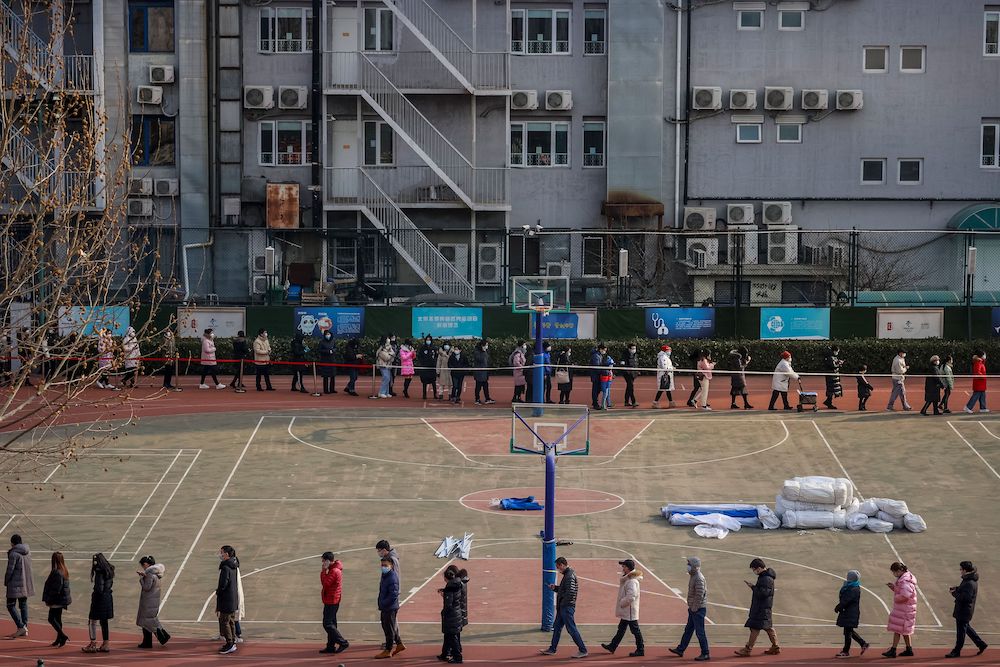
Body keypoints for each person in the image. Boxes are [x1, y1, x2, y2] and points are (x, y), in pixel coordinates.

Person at [540, 556, 587, 658]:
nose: (558, 569)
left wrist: (562, 605)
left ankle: (583, 650)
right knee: (557, 627)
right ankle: (552, 649)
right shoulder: (568, 575)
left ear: (562, 565)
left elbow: (570, 593)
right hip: (564, 607)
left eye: (558, 567)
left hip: (566, 607)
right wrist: (556, 588)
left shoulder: (569, 576)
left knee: (571, 629)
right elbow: (565, 590)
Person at [668, 556, 710, 661]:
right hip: (694, 608)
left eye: (689, 564)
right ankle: (680, 649)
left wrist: (694, 608)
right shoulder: (694, 575)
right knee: (688, 630)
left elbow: (700, 594)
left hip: (698, 609)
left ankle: (705, 653)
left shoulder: (699, 578)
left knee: (700, 632)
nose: (687, 566)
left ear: (694, 566)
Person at [735, 558, 779, 656]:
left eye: (754, 569)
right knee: (768, 627)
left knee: (755, 628)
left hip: (761, 608)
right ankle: (775, 647)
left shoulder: (766, 579)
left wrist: (753, 587)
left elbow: (763, 593)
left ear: (759, 568)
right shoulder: (765, 577)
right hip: (763, 607)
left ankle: (748, 649)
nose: (754, 571)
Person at [600, 559, 644, 657]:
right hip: (627, 611)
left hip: (629, 611)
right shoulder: (628, 579)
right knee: (621, 629)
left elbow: (631, 596)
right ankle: (612, 646)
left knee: (635, 631)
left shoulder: (632, 581)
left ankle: (640, 649)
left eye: (624, 566)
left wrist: (622, 603)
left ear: (628, 568)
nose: (622, 568)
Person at [946, 561, 988, 658]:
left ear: (965, 570)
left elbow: (967, 598)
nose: (960, 571)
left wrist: (954, 594)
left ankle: (956, 651)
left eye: (961, 569)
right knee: (967, 629)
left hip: (963, 611)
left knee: (961, 632)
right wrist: (957, 589)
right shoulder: (969, 580)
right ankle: (981, 644)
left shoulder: (969, 582)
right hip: (964, 610)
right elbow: (964, 591)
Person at [82, 553, 114, 654]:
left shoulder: (99, 572)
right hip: (108, 598)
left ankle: (93, 643)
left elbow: (99, 588)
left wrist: (95, 594)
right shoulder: (109, 570)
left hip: (99, 599)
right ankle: (106, 644)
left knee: (92, 620)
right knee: (104, 621)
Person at [883, 561, 917, 658]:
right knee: (904, 630)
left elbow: (905, 595)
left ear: (899, 571)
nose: (894, 574)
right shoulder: (906, 579)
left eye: (894, 572)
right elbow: (904, 592)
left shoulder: (905, 581)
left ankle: (893, 650)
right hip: (906, 609)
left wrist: (896, 597)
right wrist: (894, 588)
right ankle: (909, 649)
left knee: (897, 630)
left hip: (904, 609)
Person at [136, 555, 169, 648]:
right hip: (153, 602)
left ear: (146, 564)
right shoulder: (156, 574)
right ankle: (159, 638)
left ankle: (149, 642)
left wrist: (142, 579)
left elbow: (146, 587)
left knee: (146, 623)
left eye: (143, 565)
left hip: (148, 602)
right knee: (151, 622)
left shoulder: (150, 574)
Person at [834, 570, 869, 658]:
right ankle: (863, 643)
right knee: (849, 631)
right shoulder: (851, 586)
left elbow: (846, 600)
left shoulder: (853, 589)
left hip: (850, 613)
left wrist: (838, 607)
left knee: (848, 633)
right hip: (849, 612)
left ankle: (846, 651)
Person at [4, 533, 33, 639]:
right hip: (25, 583)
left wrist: (6, 581)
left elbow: (10, 570)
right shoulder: (28, 552)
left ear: (12, 543)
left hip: (15, 584)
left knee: (10, 605)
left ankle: (21, 627)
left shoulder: (13, 554)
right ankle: (24, 627)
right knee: (23, 605)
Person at [319, 551, 348, 654]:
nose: (322, 563)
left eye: (323, 561)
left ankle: (342, 642)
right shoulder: (333, 570)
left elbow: (325, 584)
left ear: (328, 561)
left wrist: (323, 571)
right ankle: (330, 646)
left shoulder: (334, 571)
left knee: (327, 623)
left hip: (332, 600)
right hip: (331, 599)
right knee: (332, 623)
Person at [375, 540, 402, 651]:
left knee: (391, 621)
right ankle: (394, 641)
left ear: (384, 550)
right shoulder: (389, 559)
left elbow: (394, 578)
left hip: (391, 594)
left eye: (379, 551)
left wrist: (391, 595)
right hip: (389, 593)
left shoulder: (392, 561)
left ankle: (393, 642)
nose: (378, 553)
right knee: (389, 620)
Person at [42, 551, 71, 647]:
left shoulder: (57, 572)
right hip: (62, 599)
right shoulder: (64, 570)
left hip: (57, 599)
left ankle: (62, 636)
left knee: (51, 619)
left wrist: (49, 599)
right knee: (58, 619)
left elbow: (56, 588)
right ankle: (59, 639)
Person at [216, 545, 239, 654]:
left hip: (226, 599)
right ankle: (232, 641)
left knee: (225, 621)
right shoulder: (234, 566)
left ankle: (230, 643)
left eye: (222, 552)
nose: (220, 554)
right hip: (233, 599)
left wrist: (218, 591)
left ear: (227, 554)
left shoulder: (225, 567)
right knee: (231, 621)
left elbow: (223, 584)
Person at [439, 567, 464, 663]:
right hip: (456, 613)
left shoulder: (450, 587)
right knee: (449, 635)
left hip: (452, 615)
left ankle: (457, 657)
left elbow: (449, 604)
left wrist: (444, 612)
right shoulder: (456, 585)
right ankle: (444, 654)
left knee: (452, 636)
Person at [473, 340, 494, 405]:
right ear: (482, 345)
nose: (487, 347)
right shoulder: (477, 352)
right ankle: (477, 399)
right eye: (486, 345)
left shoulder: (486, 352)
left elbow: (487, 360)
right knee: (478, 386)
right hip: (479, 372)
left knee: (486, 386)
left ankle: (487, 398)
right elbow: (480, 359)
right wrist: (483, 352)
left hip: (485, 372)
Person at [318, 330, 339, 395]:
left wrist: (333, 350)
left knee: (333, 375)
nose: (328, 335)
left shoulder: (333, 341)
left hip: (332, 360)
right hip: (325, 360)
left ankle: (332, 389)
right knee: (325, 376)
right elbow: (319, 350)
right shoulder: (322, 342)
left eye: (329, 334)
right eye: (326, 334)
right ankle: (326, 390)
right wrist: (327, 351)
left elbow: (335, 348)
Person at [823, 345, 843, 410]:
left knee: (833, 389)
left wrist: (839, 362)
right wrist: (838, 363)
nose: (837, 353)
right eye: (837, 351)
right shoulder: (830, 357)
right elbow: (832, 365)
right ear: (834, 351)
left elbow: (835, 364)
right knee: (831, 389)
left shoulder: (834, 357)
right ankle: (829, 402)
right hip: (831, 376)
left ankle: (828, 401)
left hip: (835, 376)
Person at [620, 344, 639, 408]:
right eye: (632, 348)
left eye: (635, 348)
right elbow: (622, 365)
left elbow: (636, 363)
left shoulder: (635, 355)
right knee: (631, 387)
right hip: (627, 374)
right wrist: (627, 372)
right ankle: (634, 401)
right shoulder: (624, 355)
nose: (634, 350)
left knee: (629, 387)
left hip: (633, 373)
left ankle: (626, 401)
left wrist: (637, 371)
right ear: (629, 349)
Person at [590, 343, 606, 409]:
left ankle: (595, 402)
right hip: (595, 376)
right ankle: (595, 403)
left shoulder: (599, 355)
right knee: (595, 390)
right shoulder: (596, 356)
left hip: (598, 375)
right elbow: (597, 367)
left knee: (598, 389)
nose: (605, 351)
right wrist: (604, 372)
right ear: (600, 349)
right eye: (604, 350)